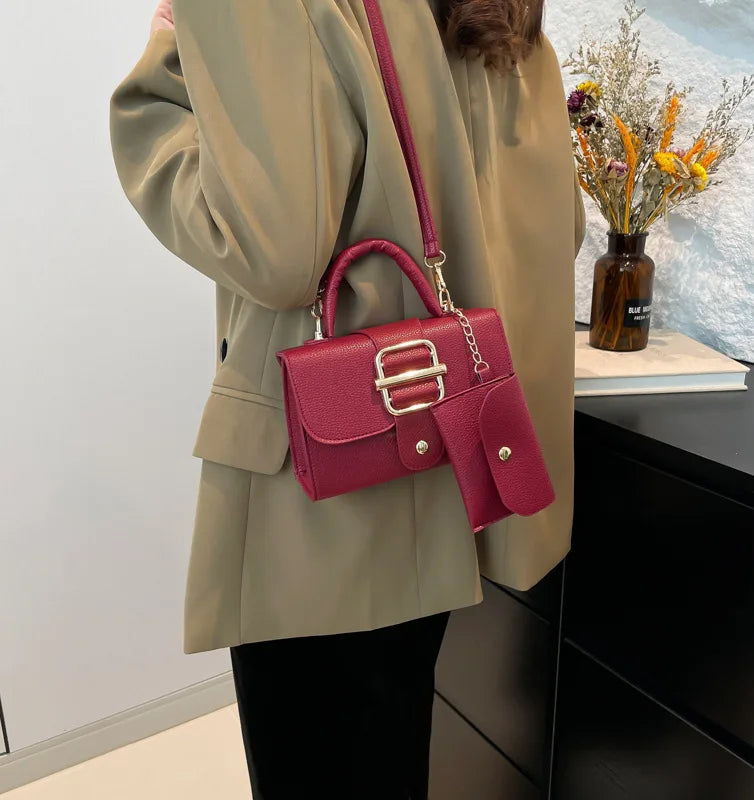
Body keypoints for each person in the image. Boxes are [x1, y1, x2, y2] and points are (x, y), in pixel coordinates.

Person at [109, 0, 586, 797]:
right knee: (387, 745)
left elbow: (273, 250)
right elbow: (558, 228)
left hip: (332, 490)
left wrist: (168, 54)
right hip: (452, 463)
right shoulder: (508, 19)